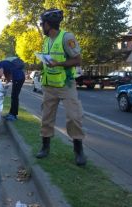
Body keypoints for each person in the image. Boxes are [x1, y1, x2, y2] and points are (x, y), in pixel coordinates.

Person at [35, 8, 87, 166]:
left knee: (74, 116)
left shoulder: (67, 38)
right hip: (49, 85)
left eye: (42, 23)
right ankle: (45, 147)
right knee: (46, 117)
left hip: (66, 84)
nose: (41, 26)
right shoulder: (46, 40)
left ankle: (78, 151)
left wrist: (59, 63)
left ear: (48, 24)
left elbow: (78, 60)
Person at [0, 57, 25, 121]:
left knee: (14, 96)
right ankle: (11, 113)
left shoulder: (0, 64)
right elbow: (8, 77)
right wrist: (5, 84)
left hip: (18, 78)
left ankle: (13, 115)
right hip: (19, 77)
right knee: (14, 96)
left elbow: (0, 74)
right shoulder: (4, 64)